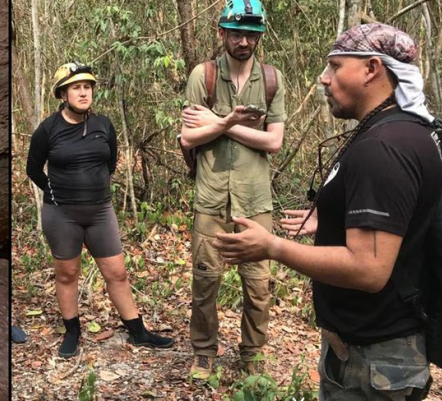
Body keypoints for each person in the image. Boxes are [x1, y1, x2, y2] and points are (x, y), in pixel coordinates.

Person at [212, 23, 441, 400]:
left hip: (372, 361)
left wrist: (272, 247)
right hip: (378, 350)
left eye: (335, 66)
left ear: (371, 69)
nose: (323, 78)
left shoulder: (384, 147)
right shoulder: (407, 131)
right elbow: (404, 217)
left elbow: (368, 268)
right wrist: (335, 217)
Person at [26, 62, 174, 359]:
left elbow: (110, 163)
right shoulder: (48, 129)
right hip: (62, 214)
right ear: (62, 94)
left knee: (117, 272)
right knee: (67, 273)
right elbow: (33, 169)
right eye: (76, 88)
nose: (83, 92)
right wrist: (56, 192)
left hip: (100, 212)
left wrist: (94, 190)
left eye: (87, 87)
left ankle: (137, 331)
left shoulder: (104, 125)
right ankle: (72, 332)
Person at [177, 0, 286, 379]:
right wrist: (227, 121)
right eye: (236, 33)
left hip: (255, 200)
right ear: (221, 32)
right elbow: (189, 136)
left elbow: (273, 143)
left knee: (258, 284)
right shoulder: (202, 76)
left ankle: (252, 354)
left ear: (258, 37)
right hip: (211, 197)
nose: (243, 41)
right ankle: (204, 352)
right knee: (205, 279)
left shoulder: (272, 79)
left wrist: (222, 123)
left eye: (251, 34)